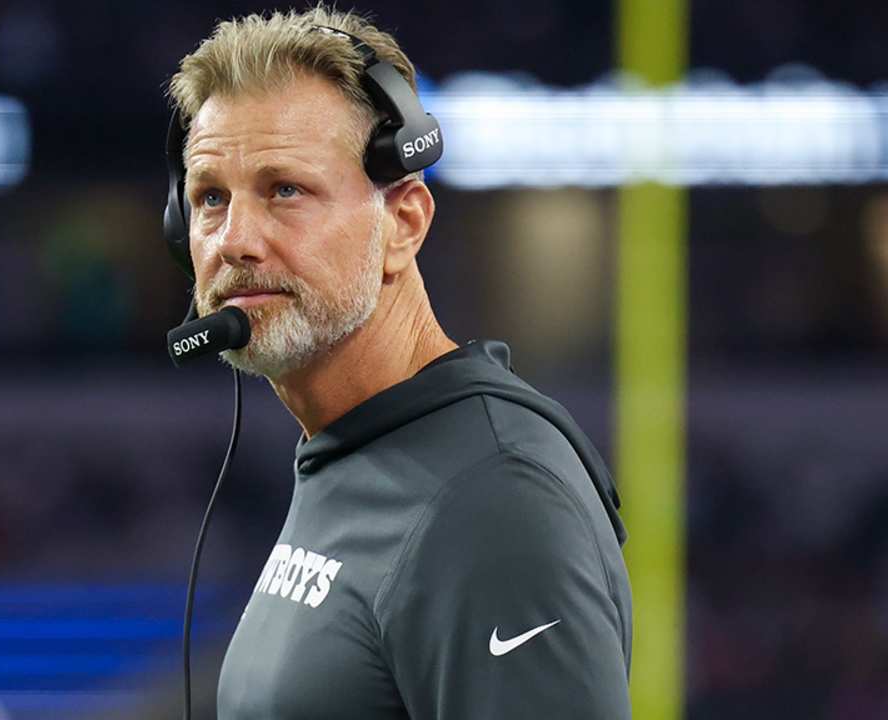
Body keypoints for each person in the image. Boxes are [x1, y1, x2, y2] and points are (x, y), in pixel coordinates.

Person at [165, 7, 632, 718]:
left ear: (403, 224)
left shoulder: (496, 501)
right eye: (210, 199)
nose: (235, 241)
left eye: (285, 190)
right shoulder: (353, 447)